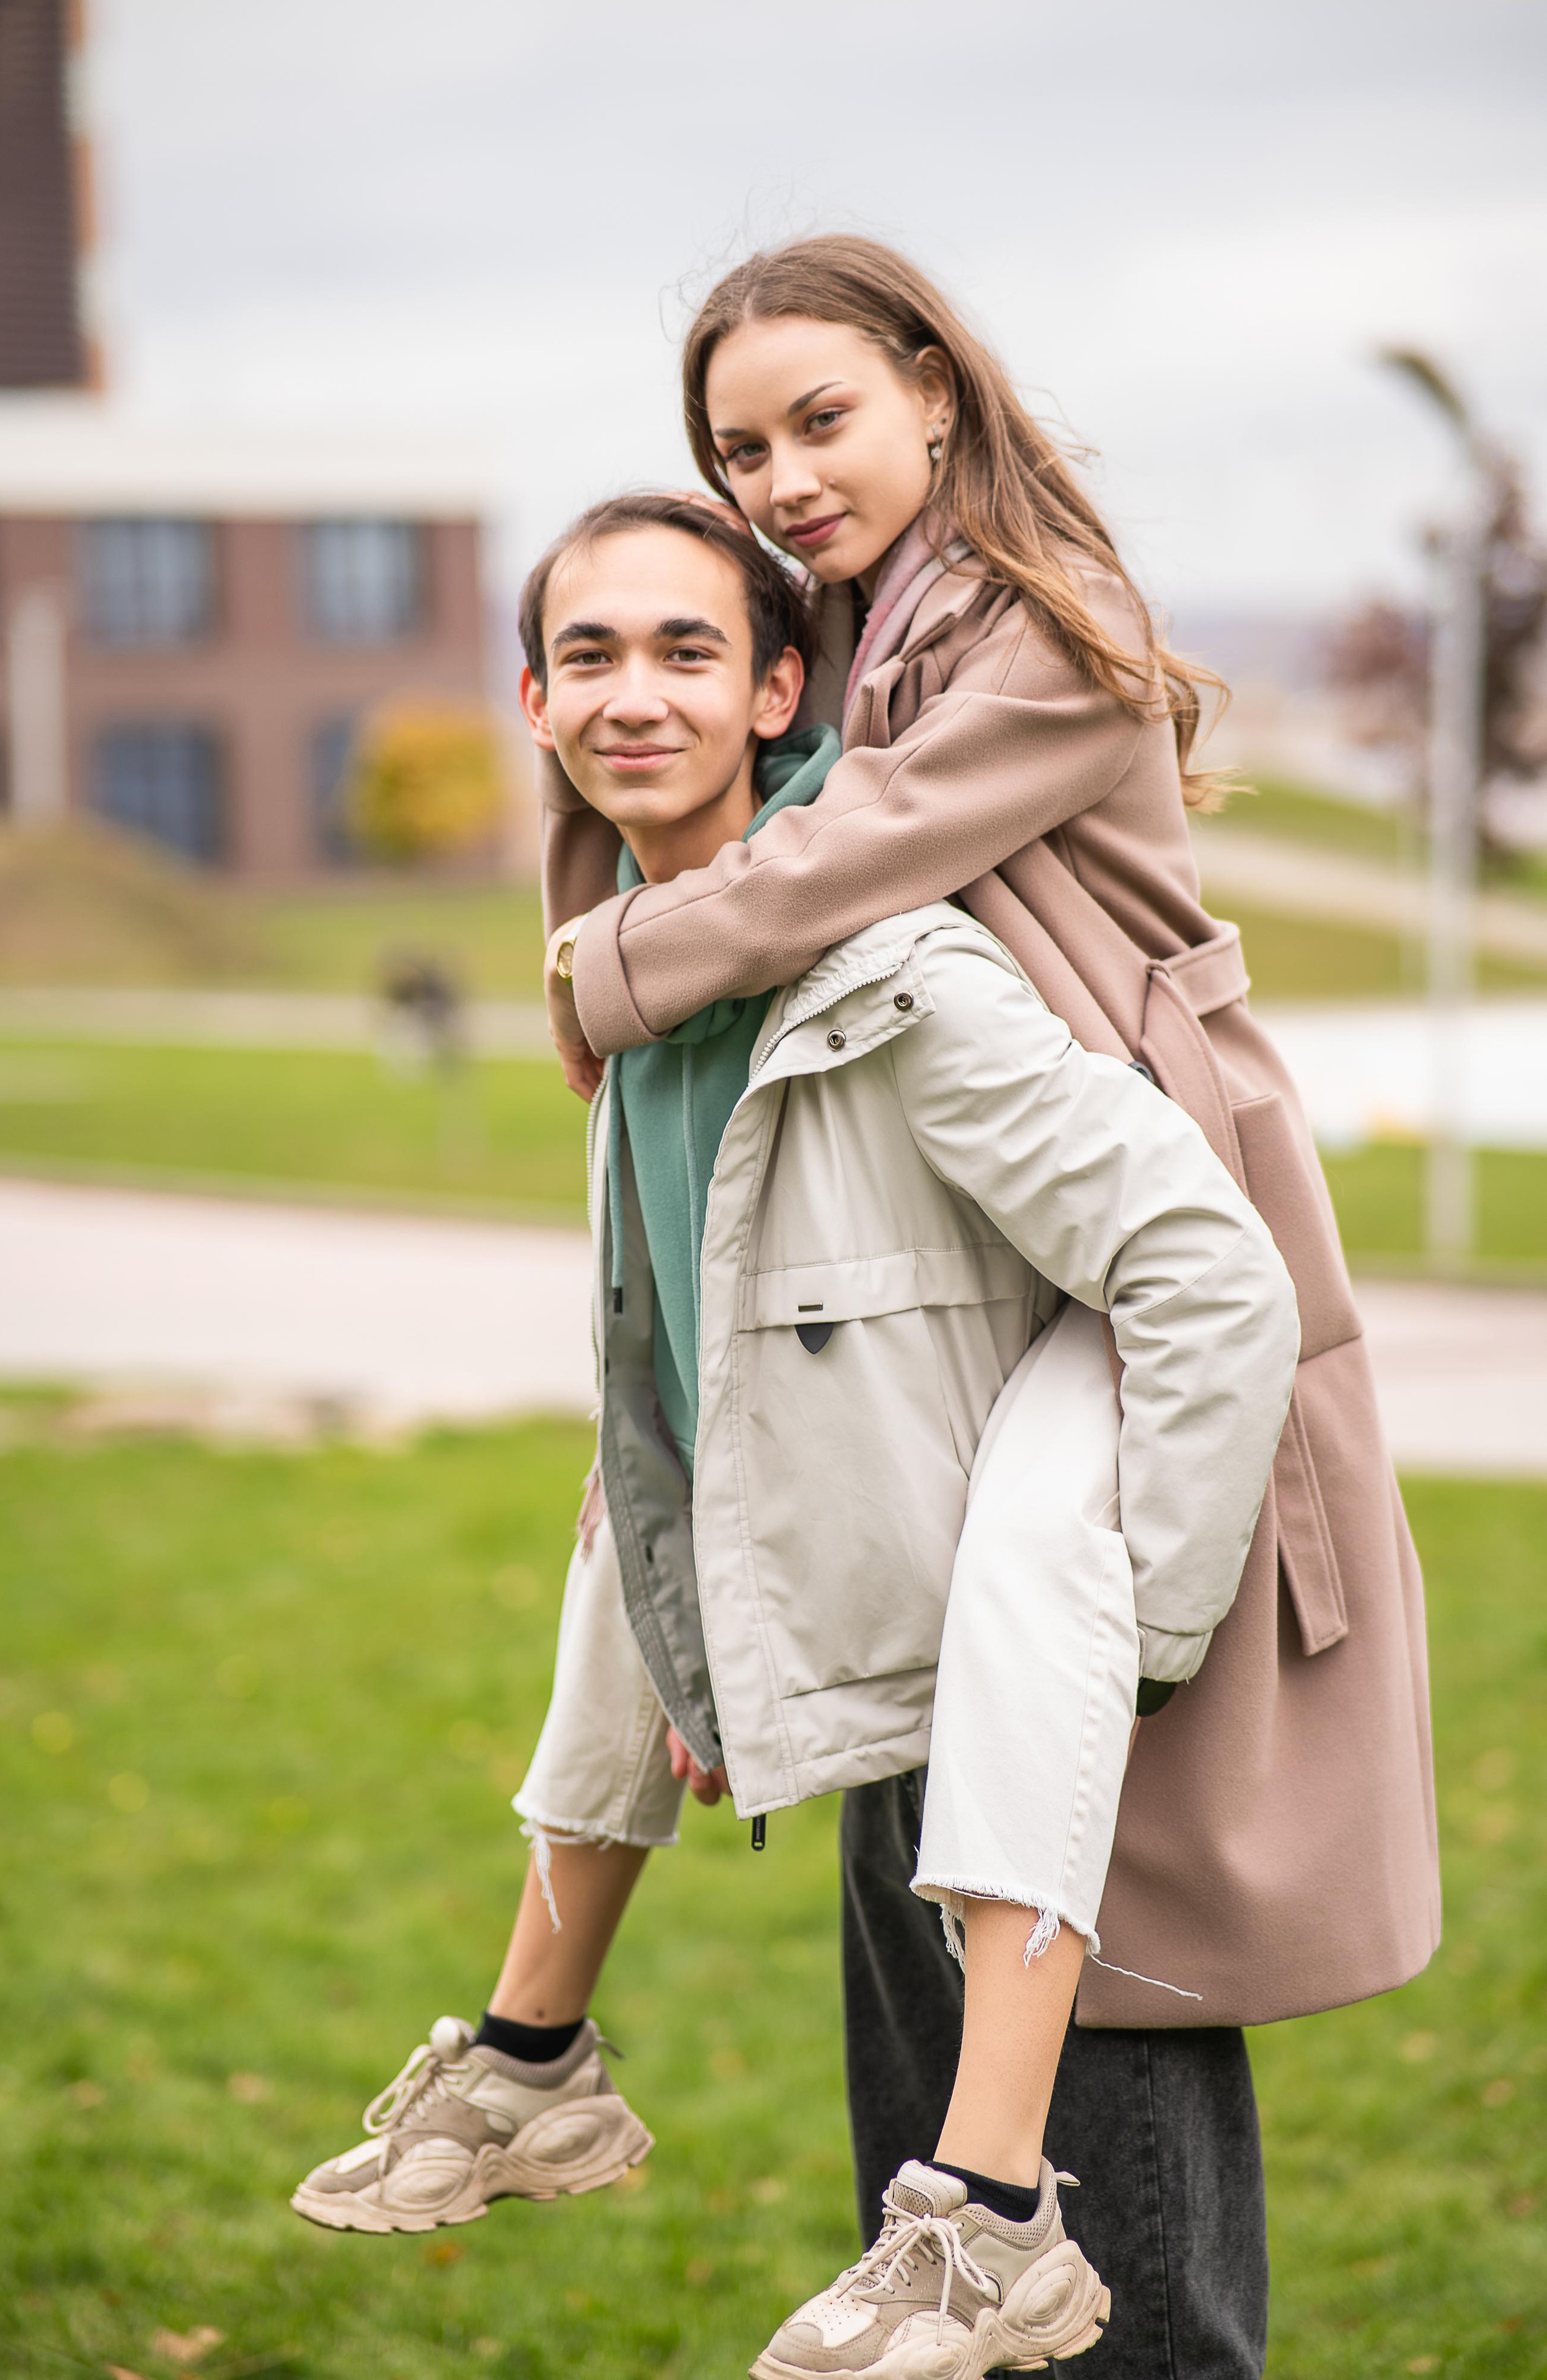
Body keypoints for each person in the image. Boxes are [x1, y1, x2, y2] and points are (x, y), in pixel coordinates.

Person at [538, 239, 1440, 2378]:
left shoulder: (1030, 633)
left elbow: (838, 861)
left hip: (1132, 1266)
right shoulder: (853, 637)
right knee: (937, 1863)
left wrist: (601, 967)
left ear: (939, 392)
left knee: (1093, 1899)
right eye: (736, 447)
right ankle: (752, 2159)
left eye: (818, 421)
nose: (776, 478)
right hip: (947, 1275)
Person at [295, 493, 1300, 2380]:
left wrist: (1125, 1632)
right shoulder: (655, 975)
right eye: (589, 655)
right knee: (921, 2305)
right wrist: (707, 1625)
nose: (634, 695)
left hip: (1050, 1715)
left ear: (778, 689)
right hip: (882, 1697)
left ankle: (542, 2060)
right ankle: (529, 2053)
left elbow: (1205, 1279)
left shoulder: (890, 980)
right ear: (528, 698)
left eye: (688, 651)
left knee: (1131, 2333)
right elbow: (697, 1370)